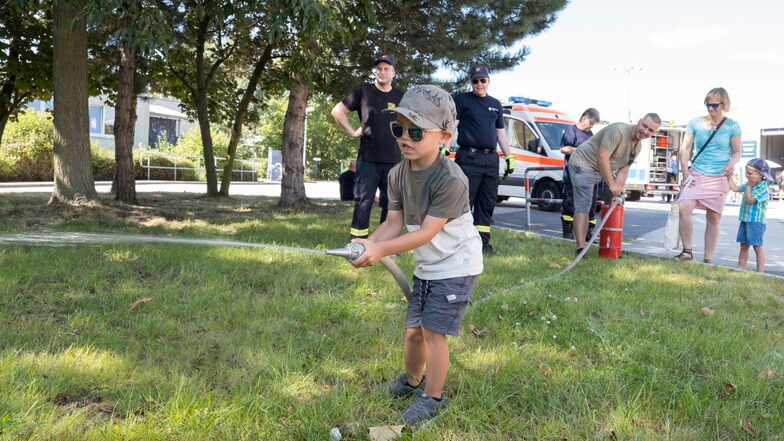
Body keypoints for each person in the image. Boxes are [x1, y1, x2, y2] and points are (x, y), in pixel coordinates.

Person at [350, 85, 482, 427]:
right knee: (413, 332)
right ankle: (410, 381)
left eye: (416, 131)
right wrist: (368, 244)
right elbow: (393, 222)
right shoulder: (397, 173)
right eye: (399, 128)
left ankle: (434, 397)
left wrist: (380, 250)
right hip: (428, 264)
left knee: (433, 332)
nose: (405, 137)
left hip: (456, 264)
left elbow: (425, 233)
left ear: (444, 136)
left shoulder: (450, 179)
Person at [332, 55, 404, 239]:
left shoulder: (401, 97)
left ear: (393, 73)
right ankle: (358, 243)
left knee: (391, 205)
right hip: (368, 159)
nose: (382, 72)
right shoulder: (363, 92)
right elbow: (337, 111)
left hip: (394, 160)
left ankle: (384, 242)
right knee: (363, 202)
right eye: (379, 69)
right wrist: (352, 132)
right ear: (375, 72)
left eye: (386, 69)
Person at [568, 113, 662, 256]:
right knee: (584, 205)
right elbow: (602, 156)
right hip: (583, 163)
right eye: (644, 126)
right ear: (639, 121)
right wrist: (612, 184)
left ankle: (611, 245)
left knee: (616, 203)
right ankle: (581, 249)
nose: (645, 131)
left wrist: (616, 192)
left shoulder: (638, 147)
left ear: (654, 133)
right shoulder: (618, 131)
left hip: (601, 170)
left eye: (650, 130)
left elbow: (623, 171)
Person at [673, 87, 741, 263]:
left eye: (715, 105)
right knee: (683, 207)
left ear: (724, 105)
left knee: (713, 218)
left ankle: (708, 259)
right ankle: (687, 251)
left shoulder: (732, 126)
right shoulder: (695, 123)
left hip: (719, 178)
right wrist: (685, 171)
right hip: (696, 174)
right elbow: (685, 148)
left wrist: (732, 163)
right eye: (708, 105)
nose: (711, 109)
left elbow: (737, 152)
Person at [453, 64, 514, 254]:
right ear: (471, 82)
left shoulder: (495, 104)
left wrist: (509, 156)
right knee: (463, 202)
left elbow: (501, 134)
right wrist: (444, 150)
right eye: (475, 81)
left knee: (487, 203)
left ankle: (482, 244)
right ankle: (457, 242)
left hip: (491, 160)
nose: (479, 84)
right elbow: (452, 126)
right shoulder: (462, 100)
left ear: (488, 81)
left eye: (483, 80)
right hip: (468, 158)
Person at [560, 108, 601, 239]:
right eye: (590, 123)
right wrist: (581, 151)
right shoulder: (571, 131)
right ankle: (568, 233)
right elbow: (564, 149)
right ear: (584, 118)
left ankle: (588, 236)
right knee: (570, 205)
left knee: (590, 206)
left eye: (593, 125)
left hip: (589, 176)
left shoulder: (590, 134)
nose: (591, 126)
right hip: (573, 175)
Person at [728, 158, 771, 272]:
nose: (747, 175)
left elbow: (749, 200)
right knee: (744, 246)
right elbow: (735, 188)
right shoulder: (750, 185)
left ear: (761, 174)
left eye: (750, 173)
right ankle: (740, 268)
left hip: (756, 222)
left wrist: (748, 187)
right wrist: (729, 176)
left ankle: (760, 272)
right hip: (745, 219)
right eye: (747, 172)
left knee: (757, 246)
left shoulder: (763, 188)